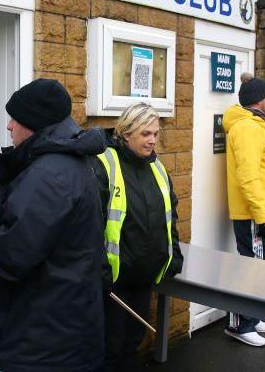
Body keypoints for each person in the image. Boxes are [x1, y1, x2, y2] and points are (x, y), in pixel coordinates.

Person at [0, 79, 107, 372]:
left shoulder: (48, 175)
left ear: (33, 123)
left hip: (42, 346)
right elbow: (41, 233)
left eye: (14, 119)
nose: (9, 126)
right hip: (61, 334)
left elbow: (11, 256)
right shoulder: (68, 165)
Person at [94, 102, 184, 372]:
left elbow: (171, 215)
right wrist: (98, 269)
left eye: (155, 133)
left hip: (143, 277)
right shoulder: (104, 164)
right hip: (112, 283)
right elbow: (90, 223)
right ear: (126, 132)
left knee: (132, 343)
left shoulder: (157, 167)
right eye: (146, 133)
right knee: (109, 349)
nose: (153, 140)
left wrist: (173, 255)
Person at [222, 76, 265, 346]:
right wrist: (262, 217)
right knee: (252, 268)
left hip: (259, 212)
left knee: (258, 267)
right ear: (259, 99)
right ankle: (240, 325)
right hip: (253, 214)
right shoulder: (247, 127)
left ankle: (252, 316)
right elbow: (247, 176)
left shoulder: (253, 125)